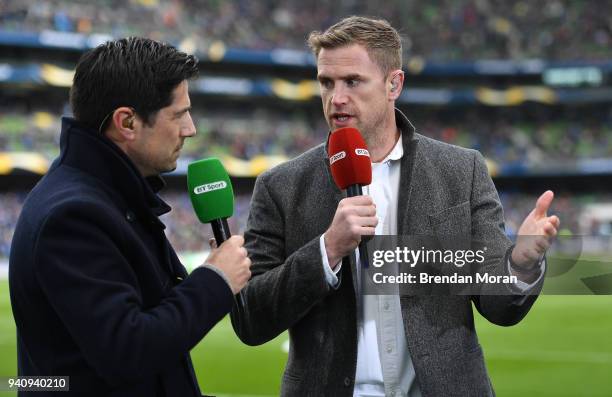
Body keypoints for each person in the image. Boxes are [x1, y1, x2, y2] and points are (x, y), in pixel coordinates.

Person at [230, 16, 560, 396]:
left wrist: (520, 262)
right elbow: (250, 319)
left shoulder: (461, 170)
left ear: (394, 84)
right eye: (326, 83)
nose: (336, 98)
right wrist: (327, 251)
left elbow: (500, 308)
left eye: (353, 81)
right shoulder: (281, 186)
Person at [9, 37, 251, 396]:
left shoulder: (110, 194)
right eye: (179, 114)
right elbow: (128, 350)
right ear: (127, 122)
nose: (191, 129)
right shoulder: (74, 215)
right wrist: (215, 280)